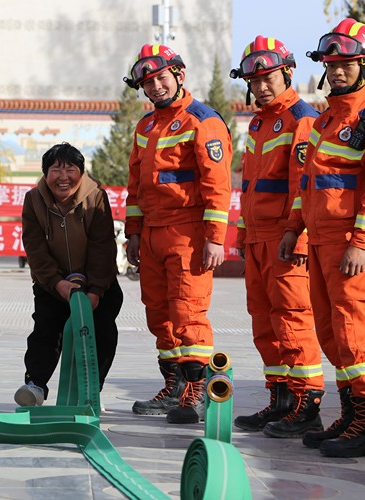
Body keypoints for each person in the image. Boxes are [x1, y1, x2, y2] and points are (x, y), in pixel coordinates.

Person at [279, 18, 365, 457]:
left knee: (355, 332)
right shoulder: (326, 119)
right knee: (332, 332)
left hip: (353, 244)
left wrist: (359, 242)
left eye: (346, 64)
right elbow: (309, 185)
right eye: (331, 64)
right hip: (319, 241)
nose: (336, 72)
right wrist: (294, 228)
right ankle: (352, 416)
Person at [123, 44, 232, 424]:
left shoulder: (203, 121)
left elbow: (217, 185)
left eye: (160, 79)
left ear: (179, 75)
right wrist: (133, 233)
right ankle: (173, 388)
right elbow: (135, 187)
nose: (154, 88)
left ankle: (196, 393)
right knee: (160, 317)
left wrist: (215, 237)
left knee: (188, 314)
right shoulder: (146, 126)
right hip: (151, 235)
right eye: (148, 83)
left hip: (188, 234)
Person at [228, 36, 325, 438]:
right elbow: (252, 183)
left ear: (286, 72)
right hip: (259, 238)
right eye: (254, 80)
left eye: (268, 77)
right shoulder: (259, 121)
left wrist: (298, 238)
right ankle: (281, 399)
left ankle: (307, 405)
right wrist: (244, 232)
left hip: (286, 239)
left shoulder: (302, 118)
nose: (261, 86)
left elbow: (304, 185)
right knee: (265, 321)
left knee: (293, 319)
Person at [14, 142, 123, 407]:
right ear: (45, 173)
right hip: (54, 283)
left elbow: (103, 245)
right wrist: (56, 283)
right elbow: (35, 248)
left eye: (70, 169)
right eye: (55, 170)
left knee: (102, 333)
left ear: (81, 172)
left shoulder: (96, 195)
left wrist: (96, 290)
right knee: (46, 330)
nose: (63, 177)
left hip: (97, 282)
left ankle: (90, 391)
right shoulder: (33, 200)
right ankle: (35, 385)